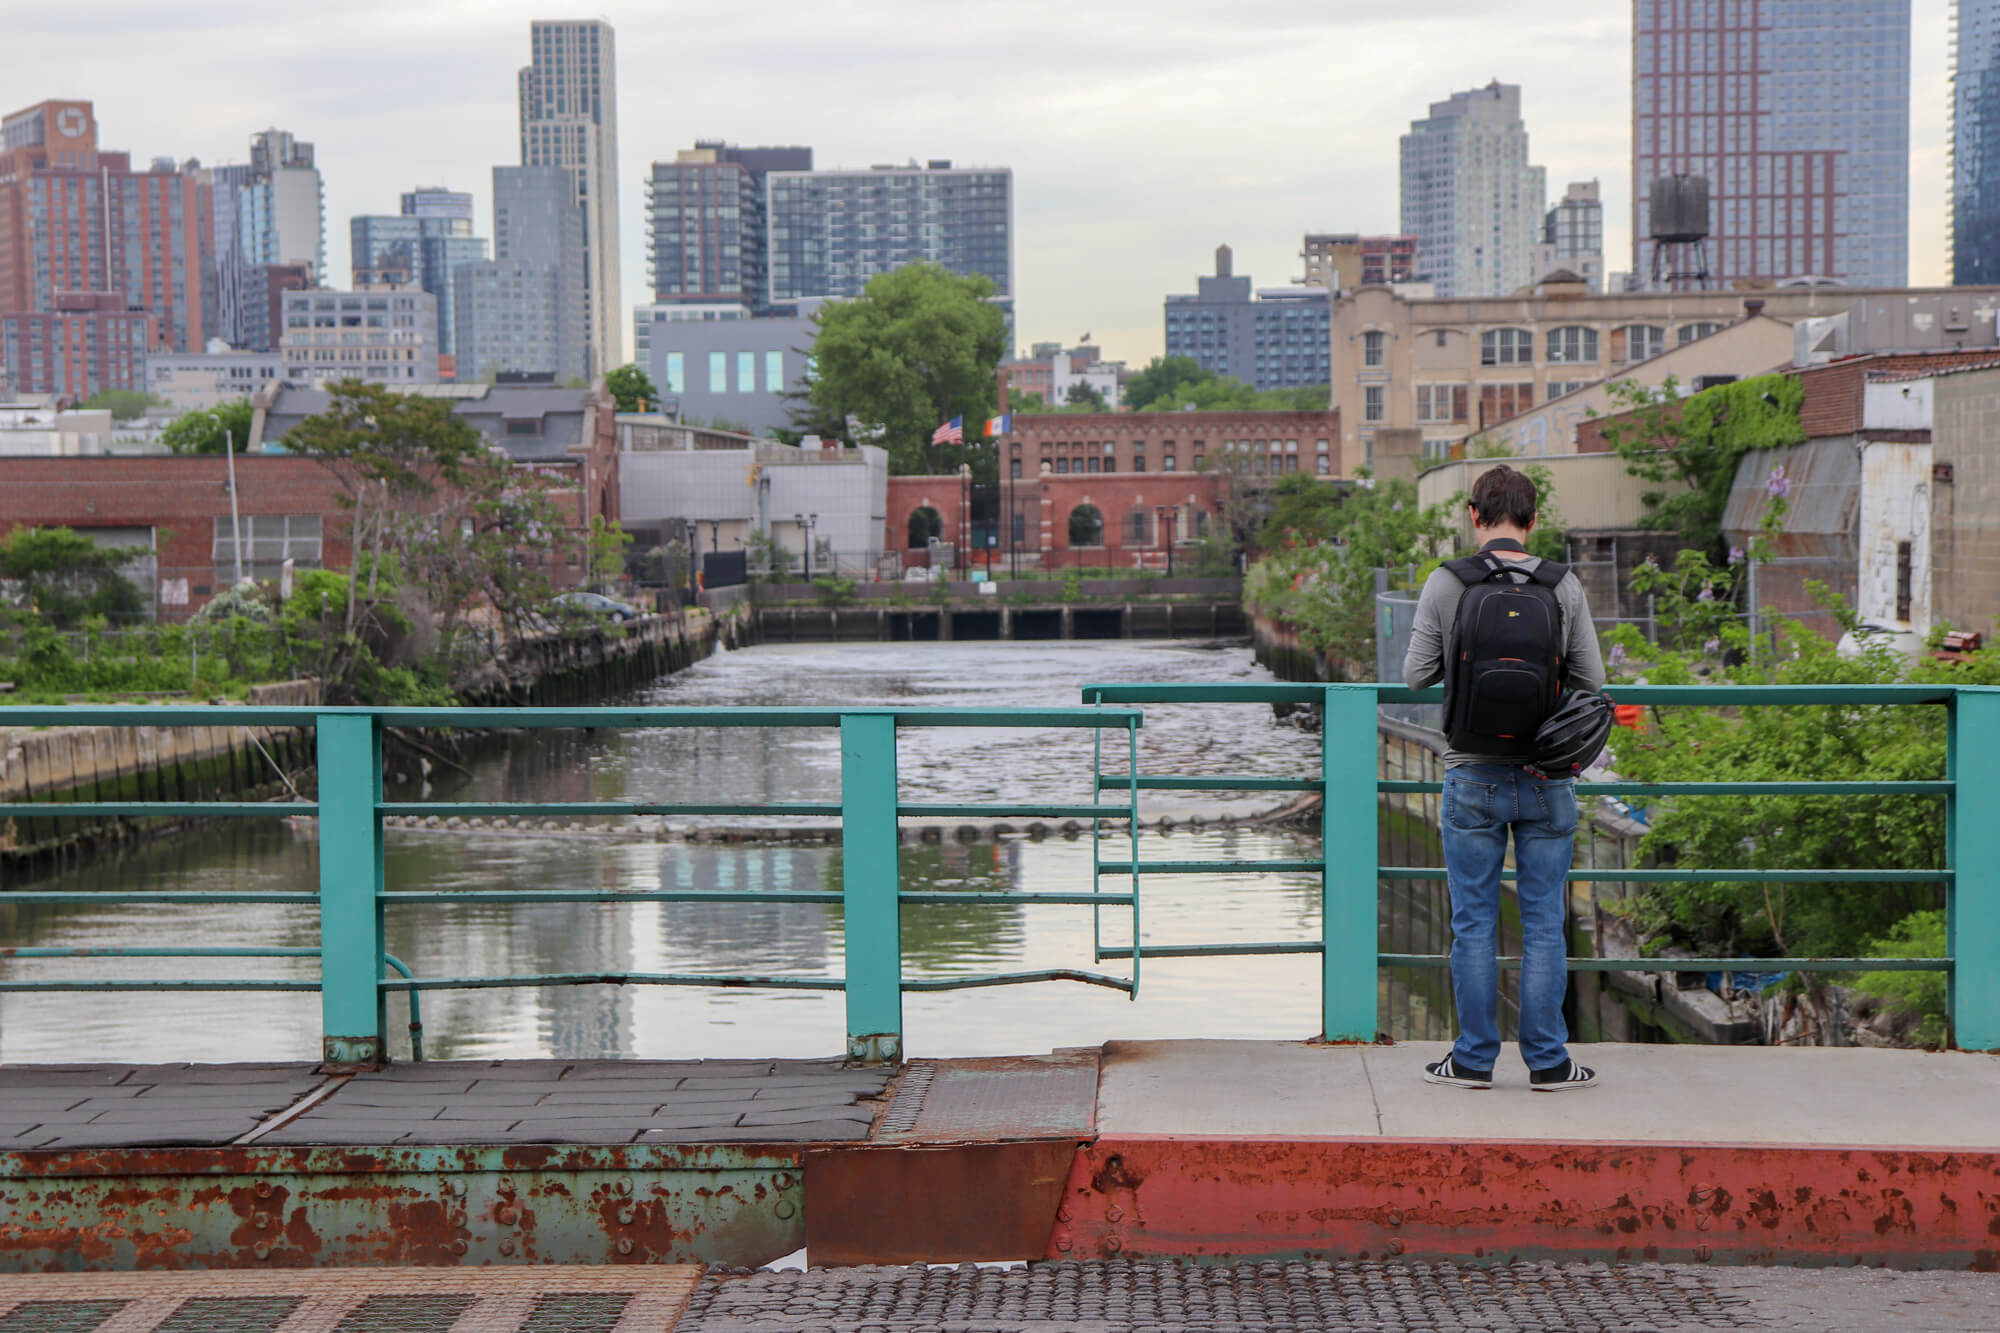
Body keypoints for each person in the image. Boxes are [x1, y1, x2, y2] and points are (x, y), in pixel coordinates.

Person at [1403, 464, 1605, 1092]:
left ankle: (1471, 1060)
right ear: (1534, 518)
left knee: (1473, 922)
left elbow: (1414, 676)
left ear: (1473, 514)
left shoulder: (1447, 582)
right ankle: (1547, 1062)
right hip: (1547, 778)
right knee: (1544, 921)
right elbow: (1592, 684)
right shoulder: (1562, 584)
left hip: (1472, 775)